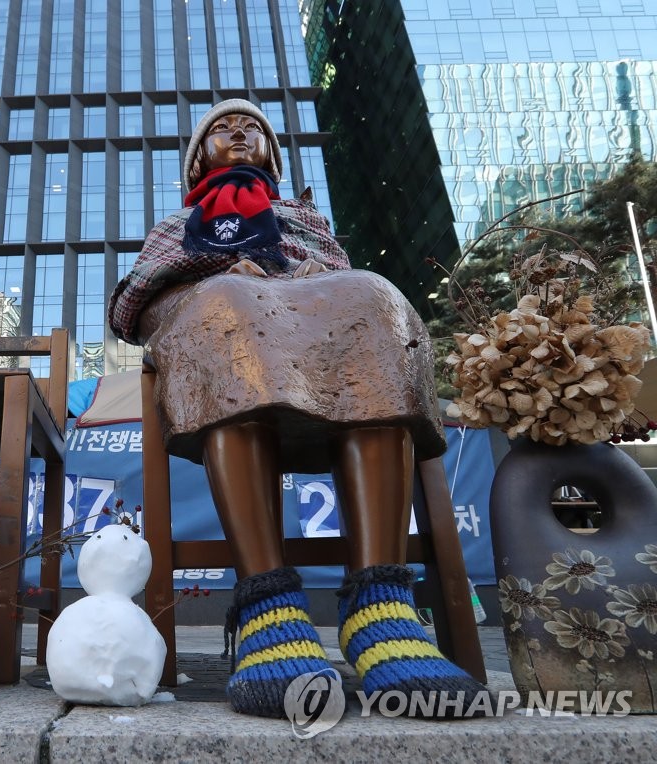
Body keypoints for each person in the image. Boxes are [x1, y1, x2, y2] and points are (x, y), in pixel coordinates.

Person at [108, 99, 486, 718]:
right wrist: (222, 266)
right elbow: (130, 307)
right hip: (220, 324)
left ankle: (380, 607)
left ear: (274, 160)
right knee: (227, 307)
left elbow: (331, 282)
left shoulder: (302, 217)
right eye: (222, 130)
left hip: (308, 336)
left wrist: (291, 267)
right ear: (197, 159)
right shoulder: (179, 225)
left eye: (252, 129)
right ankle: (267, 607)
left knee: (369, 296)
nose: (238, 133)